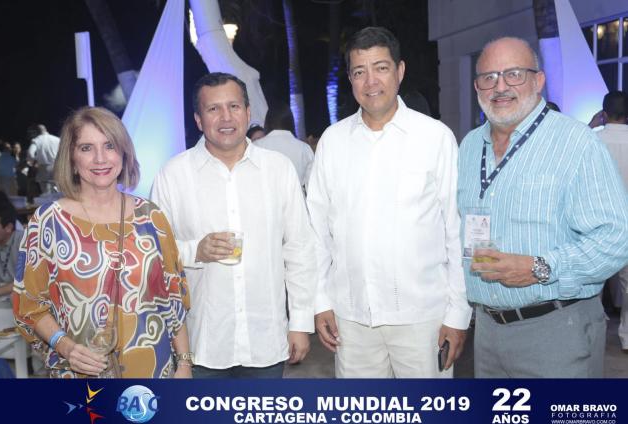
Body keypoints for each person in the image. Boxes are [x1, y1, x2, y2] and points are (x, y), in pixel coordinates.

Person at [458, 37, 628, 378]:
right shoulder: (470, 145)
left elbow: (616, 239)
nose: (500, 87)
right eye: (489, 77)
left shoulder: (576, 142)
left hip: (556, 330)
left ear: (538, 80)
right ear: (477, 87)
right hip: (487, 334)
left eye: (514, 74)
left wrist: (541, 267)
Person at [307, 26, 471, 378]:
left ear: (400, 71)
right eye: (359, 72)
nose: (371, 81)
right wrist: (319, 301)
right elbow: (316, 232)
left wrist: (458, 314)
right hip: (351, 319)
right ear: (350, 79)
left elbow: (456, 231)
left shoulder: (435, 138)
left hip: (422, 318)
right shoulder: (333, 142)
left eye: (381, 68)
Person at [151, 72, 315, 378]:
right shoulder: (173, 176)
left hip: (266, 340)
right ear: (198, 119)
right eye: (213, 109)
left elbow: (299, 249)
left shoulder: (278, 170)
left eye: (234, 107)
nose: (226, 117)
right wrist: (195, 251)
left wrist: (301, 323)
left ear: (248, 113)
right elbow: (154, 255)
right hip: (202, 343)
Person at [13, 107, 191, 378]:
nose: (100, 158)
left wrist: (185, 364)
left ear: (123, 153)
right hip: (82, 376)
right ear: (71, 159)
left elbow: (174, 297)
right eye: (86, 148)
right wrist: (65, 346)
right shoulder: (47, 222)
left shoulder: (151, 217)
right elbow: (29, 307)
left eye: (109, 146)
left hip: (154, 372)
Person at [595, 90, 628, 351]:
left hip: (597, 224)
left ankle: (593, 335)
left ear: (604, 114)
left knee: (592, 285)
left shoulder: (592, 140)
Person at [255, 102, 314, 189]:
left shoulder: (256, 146)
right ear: (291, 122)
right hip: (296, 197)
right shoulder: (304, 149)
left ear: (267, 123)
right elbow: (312, 187)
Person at [26, 124, 59, 194]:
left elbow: (30, 153)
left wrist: (34, 162)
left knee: (46, 192)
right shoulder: (57, 139)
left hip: (44, 168)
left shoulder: (37, 140)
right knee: (58, 191)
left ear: (37, 132)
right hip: (58, 167)